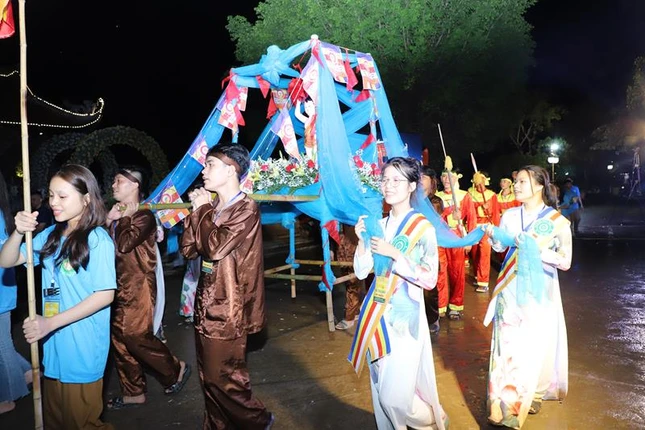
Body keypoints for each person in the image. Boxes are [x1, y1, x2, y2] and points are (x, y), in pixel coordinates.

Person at [0, 164, 116, 430]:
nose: (53, 202)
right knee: (57, 421)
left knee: (81, 423)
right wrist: (18, 232)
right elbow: (6, 260)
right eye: (51, 195)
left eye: (62, 196)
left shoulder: (97, 239)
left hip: (82, 347)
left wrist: (49, 323)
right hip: (53, 349)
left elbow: (105, 295)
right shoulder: (51, 236)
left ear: (86, 198)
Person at [350, 157, 448, 430]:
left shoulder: (422, 227)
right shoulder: (379, 225)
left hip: (405, 321)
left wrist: (396, 255)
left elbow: (430, 278)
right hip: (376, 314)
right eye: (385, 179)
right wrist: (361, 242)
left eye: (396, 180)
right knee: (380, 385)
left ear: (412, 186)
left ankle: (433, 418)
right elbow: (361, 271)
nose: (388, 185)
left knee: (393, 398)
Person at [181, 143, 273, 429]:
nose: (203, 171)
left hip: (230, 308)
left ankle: (258, 420)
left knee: (225, 379)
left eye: (210, 164)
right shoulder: (212, 207)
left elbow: (215, 248)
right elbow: (188, 250)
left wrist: (201, 211)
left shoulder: (246, 208)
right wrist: (197, 213)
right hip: (205, 304)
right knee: (208, 378)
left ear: (231, 170)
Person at [484, 165, 572, 429]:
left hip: (540, 290)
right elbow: (500, 247)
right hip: (509, 287)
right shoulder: (510, 215)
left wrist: (535, 249)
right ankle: (501, 400)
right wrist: (493, 237)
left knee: (535, 343)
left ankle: (535, 392)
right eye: (516, 181)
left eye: (522, 181)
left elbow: (565, 261)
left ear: (539, 185)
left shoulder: (556, 220)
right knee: (506, 344)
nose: (516, 186)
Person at [105, 167, 190, 410]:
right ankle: (133, 392)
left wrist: (121, 218)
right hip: (117, 286)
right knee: (120, 340)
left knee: (136, 336)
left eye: (118, 180)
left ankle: (174, 369)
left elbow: (124, 244)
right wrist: (109, 220)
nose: (113, 185)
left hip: (138, 286)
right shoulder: (117, 214)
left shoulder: (143, 216)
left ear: (135, 184)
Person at [0, 171, 31, 416]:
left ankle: (9, 396)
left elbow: (5, 253)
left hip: (1, 289)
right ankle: (27, 372)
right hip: (4, 287)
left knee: (2, 345)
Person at [435, 170, 477, 319]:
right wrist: (447, 212)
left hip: (456, 237)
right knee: (440, 272)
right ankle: (440, 305)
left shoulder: (464, 196)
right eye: (444, 176)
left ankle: (455, 305)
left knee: (457, 272)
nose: (447, 179)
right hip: (440, 238)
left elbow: (471, 218)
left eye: (450, 177)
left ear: (456, 179)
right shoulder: (436, 196)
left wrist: (470, 240)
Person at [420, 166, 446, 333]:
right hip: (412, 247)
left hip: (428, 246)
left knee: (428, 287)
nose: (419, 181)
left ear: (432, 182)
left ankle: (432, 318)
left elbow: (431, 224)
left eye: (423, 178)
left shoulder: (435, 201)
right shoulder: (410, 198)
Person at [468, 172, 500, 293]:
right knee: (475, 252)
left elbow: (495, 213)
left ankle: (483, 281)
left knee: (484, 253)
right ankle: (477, 275)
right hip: (473, 226)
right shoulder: (470, 193)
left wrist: (488, 208)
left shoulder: (491, 195)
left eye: (482, 179)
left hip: (486, 226)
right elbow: (468, 210)